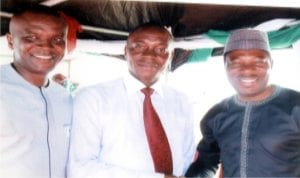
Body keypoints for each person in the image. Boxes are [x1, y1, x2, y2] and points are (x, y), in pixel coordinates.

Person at [67, 23, 195, 178]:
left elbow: (186, 158)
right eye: (139, 47)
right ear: (125, 52)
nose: (149, 55)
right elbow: (80, 169)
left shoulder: (181, 101)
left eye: (161, 49)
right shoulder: (93, 98)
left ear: (171, 56)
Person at [185, 29, 300, 177]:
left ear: (271, 64)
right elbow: (206, 163)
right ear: (225, 66)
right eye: (236, 62)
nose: (247, 70)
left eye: (258, 62)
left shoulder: (295, 106)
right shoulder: (215, 116)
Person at [0, 5, 73, 178]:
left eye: (57, 39)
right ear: (11, 41)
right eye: (31, 37)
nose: (46, 47)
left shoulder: (64, 97)